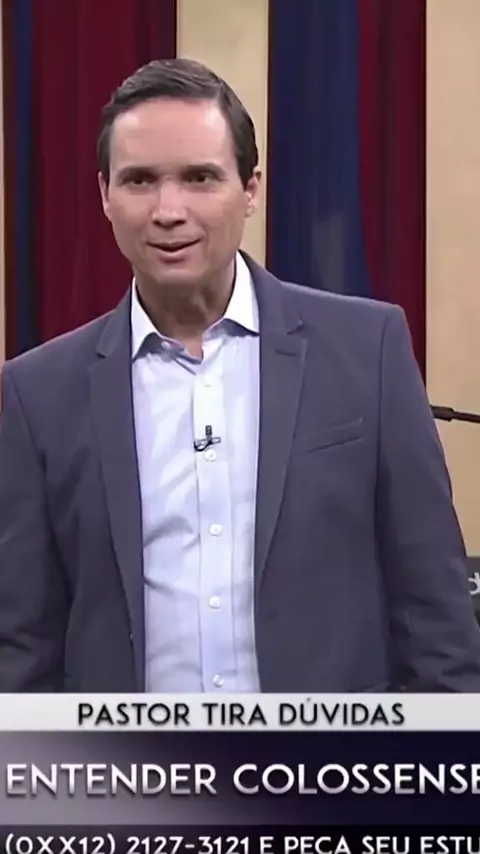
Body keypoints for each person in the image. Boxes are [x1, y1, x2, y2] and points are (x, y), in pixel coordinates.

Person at [0, 58, 479, 693]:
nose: (169, 210)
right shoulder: (37, 393)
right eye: (140, 181)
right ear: (105, 195)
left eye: (200, 178)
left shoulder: (368, 351)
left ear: (251, 189)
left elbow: (436, 616)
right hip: (128, 759)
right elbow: (24, 649)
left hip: (335, 755)